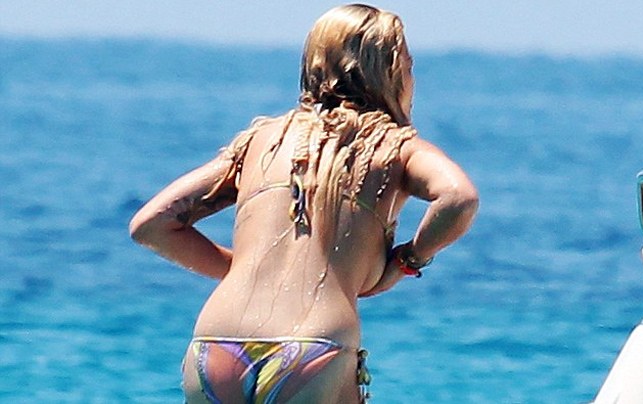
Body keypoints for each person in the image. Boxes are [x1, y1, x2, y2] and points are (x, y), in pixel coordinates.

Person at [129, 4, 478, 404]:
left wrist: (240, 270)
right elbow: (459, 198)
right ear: (392, 71)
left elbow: (152, 224)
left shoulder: (261, 142)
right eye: (410, 67)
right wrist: (408, 261)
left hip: (217, 344)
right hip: (313, 346)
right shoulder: (394, 147)